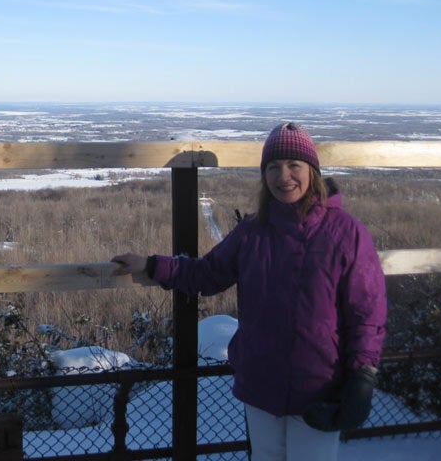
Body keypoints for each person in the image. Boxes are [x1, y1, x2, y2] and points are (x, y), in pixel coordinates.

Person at [112, 122, 387, 461]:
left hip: (319, 385)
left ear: (312, 171)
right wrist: (151, 265)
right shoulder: (252, 233)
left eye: (293, 165)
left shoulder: (346, 233)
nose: (283, 176)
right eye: (273, 167)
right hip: (261, 382)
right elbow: (207, 274)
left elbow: (367, 313)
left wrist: (361, 376)